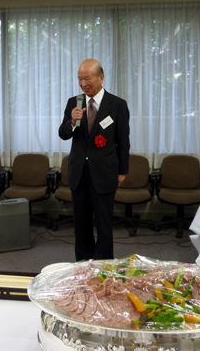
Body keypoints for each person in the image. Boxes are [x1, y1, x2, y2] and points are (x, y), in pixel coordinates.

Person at [58, 59, 130, 261]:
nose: (83, 84)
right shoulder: (74, 102)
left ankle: (104, 267)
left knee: (104, 225)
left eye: (87, 79)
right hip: (79, 173)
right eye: (79, 79)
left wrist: (122, 171)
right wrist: (72, 121)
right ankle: (83, 266)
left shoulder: (117, 105)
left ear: (101, 78)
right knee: (81, 224)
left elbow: (123, 141)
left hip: (105, 172)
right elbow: (63, 133)